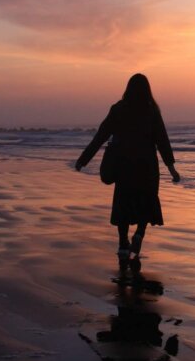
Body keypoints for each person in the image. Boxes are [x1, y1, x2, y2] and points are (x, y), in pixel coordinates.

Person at [76, 73, 180, 267]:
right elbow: (162, 141)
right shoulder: (152, 111)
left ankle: (123, 244)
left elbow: (100, 136)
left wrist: (83, 159)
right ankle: (139, 233)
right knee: (146, 201)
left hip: (124, 165)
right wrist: (172, 168)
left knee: (123, 203)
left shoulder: (118, 110)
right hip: (147, 166)